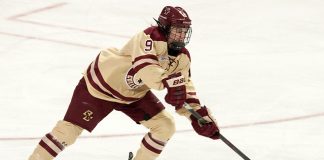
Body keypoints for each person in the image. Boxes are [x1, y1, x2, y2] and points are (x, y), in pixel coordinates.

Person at [28, 6, 220, 160]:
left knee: (165, 126)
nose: (181, 36)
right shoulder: (148, 37)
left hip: (133, 95)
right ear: (165, 27)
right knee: (67, 133)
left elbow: (185, 89)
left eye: (184, 31)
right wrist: (166, 82)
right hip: (101, 88)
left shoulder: (183, 58)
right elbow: (146, 69)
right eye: (177, 31)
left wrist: (199, 116)